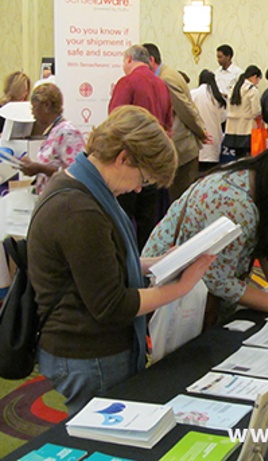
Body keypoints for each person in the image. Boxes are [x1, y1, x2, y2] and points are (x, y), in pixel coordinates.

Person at [27, 106, 215, 415]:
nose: (139, 188)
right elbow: (111, 305)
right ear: (123, 157)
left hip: (91, 348)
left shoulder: (84, 189)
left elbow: (102, 263)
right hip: (89, 353)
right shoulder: (81, 211)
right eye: (142, 178)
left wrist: (156, 262)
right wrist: (181, 288)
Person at [143, 138, 268, 320]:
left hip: (200, 281)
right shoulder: (234, 204)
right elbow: (218, 280)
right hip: (174, 285)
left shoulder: (259, 179)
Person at [108, 44, 174, 250]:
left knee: (123, 220)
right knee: (148, 223)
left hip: (129, 164)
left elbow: (115, 122)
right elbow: (169, 124)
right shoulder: (162, 85)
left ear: (129, 59)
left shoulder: (127, 82)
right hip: (153, 164)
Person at [143, 43, 212, 202]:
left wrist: (200, 132)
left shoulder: (166, 79)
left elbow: (185, 109)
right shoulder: (170, 74)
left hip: (182, 147)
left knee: (181, 200)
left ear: (151, 60)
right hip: (184, 144)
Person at [20, 83, 85, 193]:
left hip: (63, 199)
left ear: (47, 105)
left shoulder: (68, 132)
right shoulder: (54, 130)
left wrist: (40, 168)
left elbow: (76, 173)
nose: (32, 112)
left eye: (35, 107)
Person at [221, 65, 262, 160]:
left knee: (237, 157)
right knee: (247, 157)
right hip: (246, 127)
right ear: (254, 76)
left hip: (232, 128)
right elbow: (256, 111)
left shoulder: (234, 88)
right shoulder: (252, 90)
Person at [191, 69, 227, 173]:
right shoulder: (218, 98)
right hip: (213, 142)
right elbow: (223, 118)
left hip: (197, 141)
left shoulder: (192, 94)